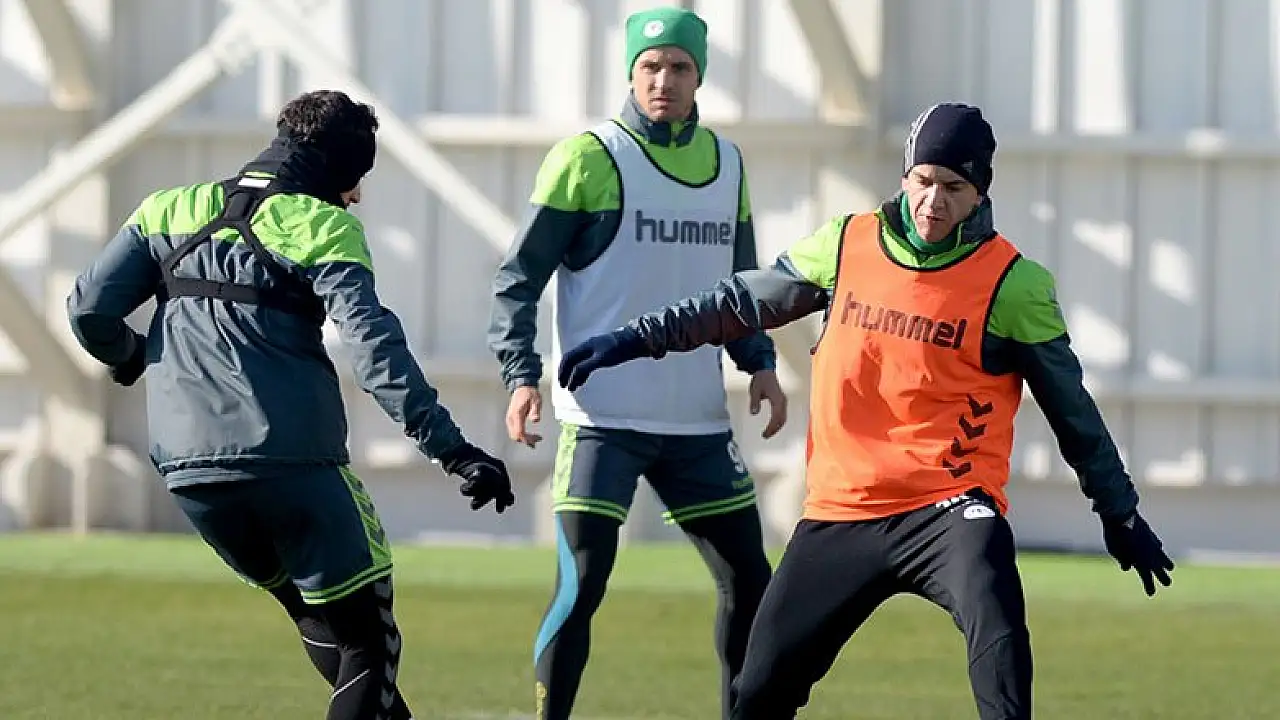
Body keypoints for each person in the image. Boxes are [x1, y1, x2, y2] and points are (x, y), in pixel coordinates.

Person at [556, 102, 1177, 719]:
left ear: (980, 193)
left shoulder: (1014, 284)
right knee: (757, 695)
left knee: (998, 622)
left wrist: (1118, 512)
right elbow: (737, 303)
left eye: (953, 187)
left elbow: (1074, 413)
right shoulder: (846, 244)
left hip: (949, 508)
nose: (933, 201)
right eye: (923, 181)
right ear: (905, 177)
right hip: (843, 509)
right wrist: (634, 338)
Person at [66, 89, 515, 720]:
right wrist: (455, 451)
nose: (357, 196)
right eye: (357, 179)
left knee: (325, 623)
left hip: (191, 475)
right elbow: (376, 354)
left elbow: (89, 312)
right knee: (370, 641)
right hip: (293, 462)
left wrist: (132, 355)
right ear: (339, 169)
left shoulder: (168, 207)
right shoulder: (323, 227)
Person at [486, 6, 784, 719]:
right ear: (630, 72)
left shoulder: (729, 164)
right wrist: (520, 375)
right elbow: (518, 279)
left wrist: (760, 363)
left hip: (697, 425)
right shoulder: (586, 157)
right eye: (650, 66)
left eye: (679, 66)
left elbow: (740, 287)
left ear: (699, 75)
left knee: (752, 582)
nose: (663, 80)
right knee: (582, 584)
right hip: (601, 422)